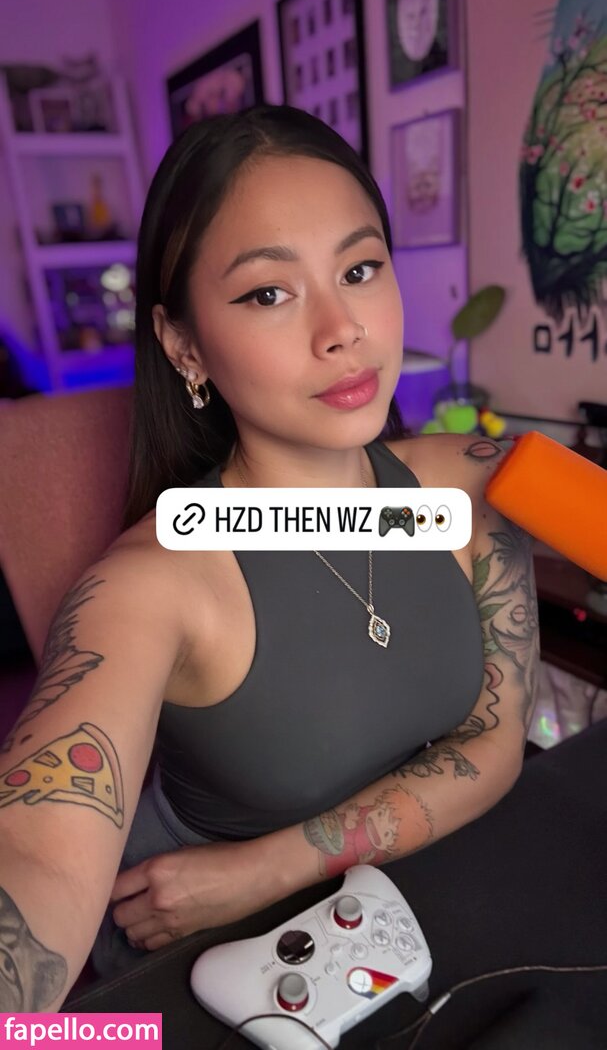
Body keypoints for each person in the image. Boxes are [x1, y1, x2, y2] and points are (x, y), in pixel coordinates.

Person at [0, 104, 540, 1010]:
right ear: (182, 344)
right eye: (268, 294)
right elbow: (36, 852)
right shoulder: (153, 582)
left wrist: (262, 867)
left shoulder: (471, 485)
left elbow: (495, 741)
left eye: (359, 270)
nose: (340, 329)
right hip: (199, 953)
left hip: (389, 909)